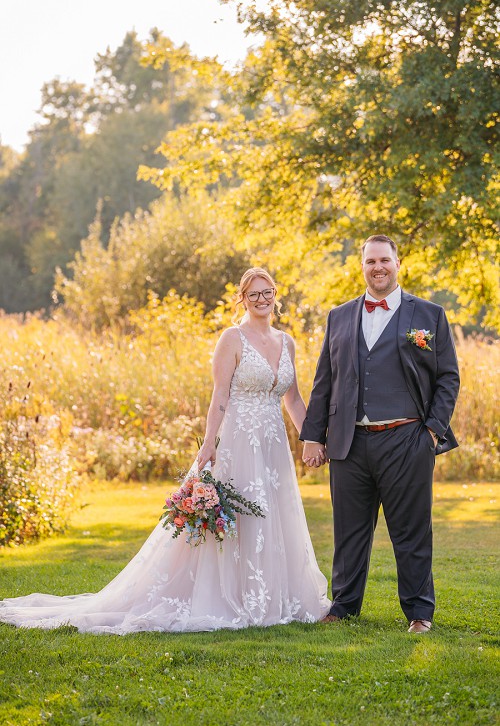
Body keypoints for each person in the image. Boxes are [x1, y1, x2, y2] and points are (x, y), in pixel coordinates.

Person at [0, 268, 330, 634]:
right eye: (253, 295)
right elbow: (219, 398)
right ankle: (232, 596)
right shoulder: (232, 339)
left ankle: (271, 596)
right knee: (238, 517)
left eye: (266, 292)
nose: (261, 300)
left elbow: (294, 398)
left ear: (275, 294)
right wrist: (208, 444)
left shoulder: (287, 342)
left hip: (273, 449)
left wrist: (312, 438)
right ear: (242, 298)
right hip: (236, 444)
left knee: (273, 517)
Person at [301, 235, 460, 633]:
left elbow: (448, 378)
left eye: (384, 260)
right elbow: (325, 381)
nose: (378, 267)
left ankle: (419, 613)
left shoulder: (429, 315)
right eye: (370, 261)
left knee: (411, 531)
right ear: (362, 267)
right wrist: (312, 436)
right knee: (349, 532)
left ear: (397, 263)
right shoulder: (339, 316)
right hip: (348, 442)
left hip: (407, 440)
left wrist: (431, 432)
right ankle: (344, 606)